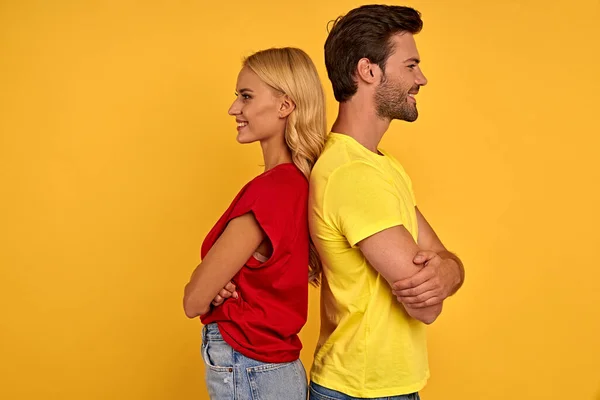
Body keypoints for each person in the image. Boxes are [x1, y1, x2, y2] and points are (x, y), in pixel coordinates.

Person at [308, 5, 465, 399]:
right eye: (411, 65)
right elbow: (426, 307)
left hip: (380, 386)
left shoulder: (380, 166)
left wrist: (450, 271)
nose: (421, 78)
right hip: (360, 389)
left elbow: (445, 259)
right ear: (369, 70)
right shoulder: (352, 174)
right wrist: (445, 275)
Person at [183, 47, 327, 400]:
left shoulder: (270, 190)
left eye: (246, 96)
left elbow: (193, 301)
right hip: (273, 372)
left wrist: (210, 286)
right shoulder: (299, 184)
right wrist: (219, 284)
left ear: (285, 106)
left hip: (250, 367)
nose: (235, 109)